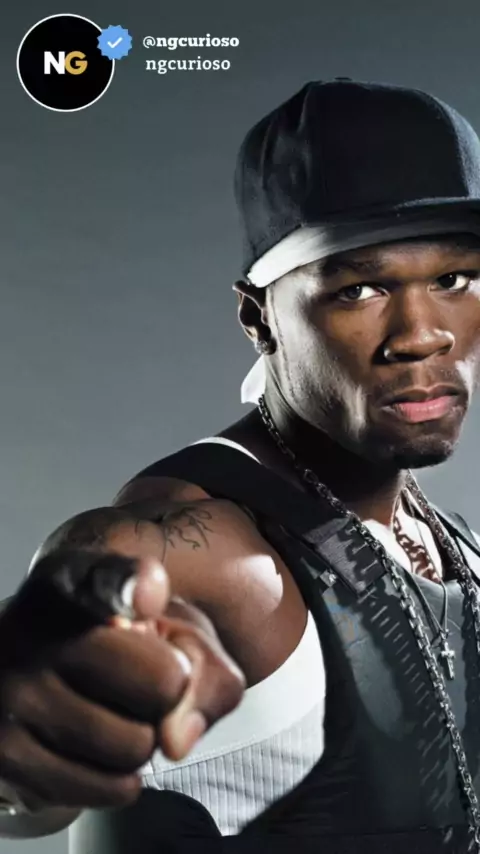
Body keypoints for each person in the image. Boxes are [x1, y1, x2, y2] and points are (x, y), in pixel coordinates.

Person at [1, 78, 480, 854]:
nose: (423, 334)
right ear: (259, 317)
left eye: (454, 279)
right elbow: (82, 604)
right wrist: (25, 707)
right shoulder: (220, 555)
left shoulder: (450, 545)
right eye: (358, 288)